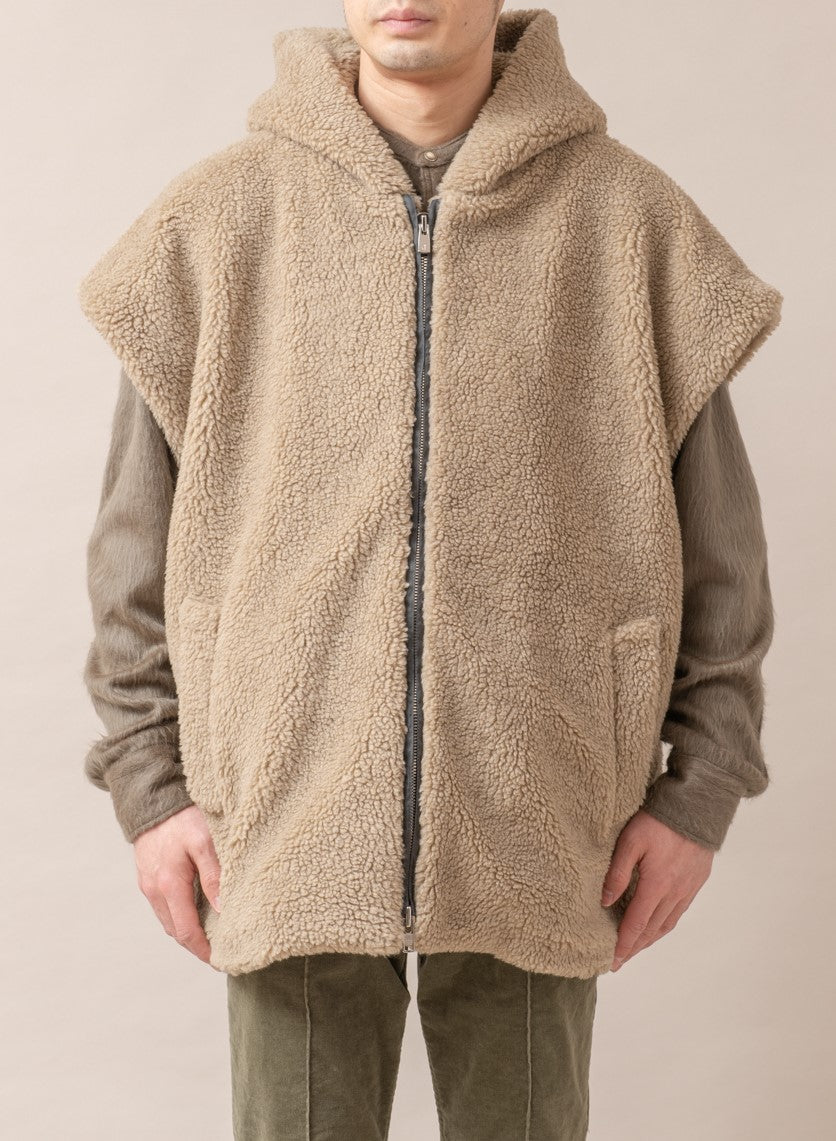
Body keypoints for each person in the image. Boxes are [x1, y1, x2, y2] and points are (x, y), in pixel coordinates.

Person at [78, 4, 783, 1137]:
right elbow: (132, 551)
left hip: (544, 817)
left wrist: (698, 792)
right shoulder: (215, 223)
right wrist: (150, 787)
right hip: (285, 819)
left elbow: (722, 559)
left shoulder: (629, 221)